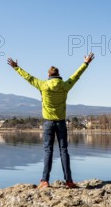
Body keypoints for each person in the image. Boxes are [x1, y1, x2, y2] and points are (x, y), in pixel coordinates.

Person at [7, 52, 95, 189]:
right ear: (58, 75)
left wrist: (16, 67)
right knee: (64, 150)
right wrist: (86, 63)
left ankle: (44, 181)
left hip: (48, 122)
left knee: (48, 151)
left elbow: (28, 78)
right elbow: (77, 75)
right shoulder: (65, 85)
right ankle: (69, 181)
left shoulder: (42, 85)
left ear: (48, 75)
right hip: (61, 122)